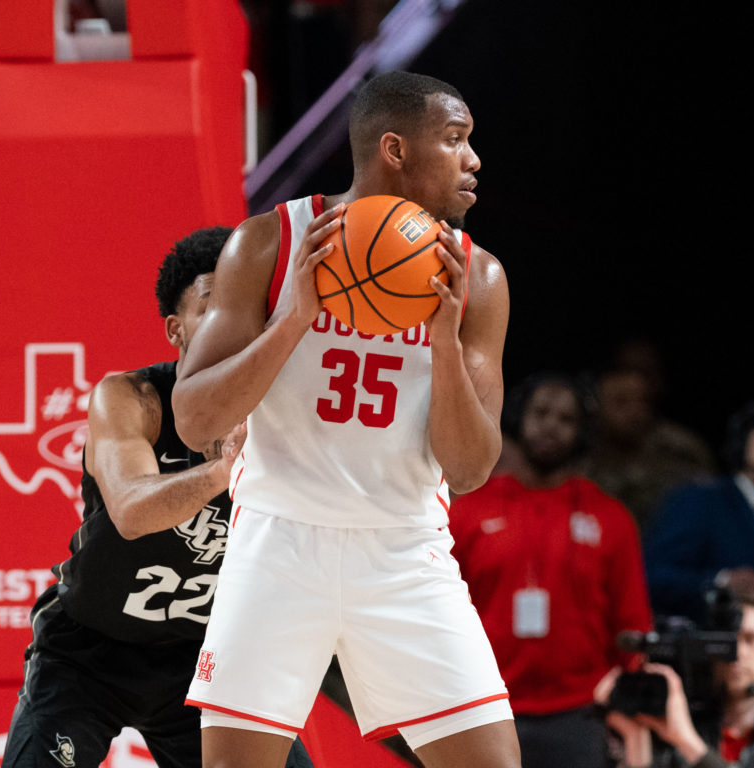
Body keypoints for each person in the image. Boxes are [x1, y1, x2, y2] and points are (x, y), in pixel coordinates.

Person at [171, 71, 519, 768]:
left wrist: (445, 345)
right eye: (454, 140)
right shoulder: (269, 244)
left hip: (403, 548)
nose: (473, 159)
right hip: (277, 543)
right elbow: (193, 418)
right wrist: (296, 318)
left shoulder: (476, 277)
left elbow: (472, 469)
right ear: (394, 148)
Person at [0, 227, 311, 768]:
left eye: (252, 304)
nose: (238, 320)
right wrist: (223, 471)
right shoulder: (131, 398)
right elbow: (131, 511)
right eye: (216, 304)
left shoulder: (292, 413)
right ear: (177, 329)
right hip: (90, 651)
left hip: (206, 659)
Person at [449, 372, 653, 768]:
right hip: (484, 707)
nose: (551, 426)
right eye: (540, 412)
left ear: (582, 432)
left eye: (566, 419)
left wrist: (631, 708)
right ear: (518, 419)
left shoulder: (610, 516)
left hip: (583, 712)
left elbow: (633, 621)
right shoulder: (469, 512)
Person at [594, 584, 754, 768]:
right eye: (725, 642)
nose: (736, 652)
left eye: (751, 639)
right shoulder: (678, 730)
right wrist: (634, 737)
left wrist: (689, 744)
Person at [643, 398, 754, 624]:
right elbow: (650, 577)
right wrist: (721, 582)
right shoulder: (703, 500)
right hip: (698, 653)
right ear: (742, 444)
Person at [581, 360, 716, 535]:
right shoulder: (581, 455)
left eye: (642, 401)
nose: (635, 411)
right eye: (621, 402)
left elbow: (712, 502)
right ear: (596, 408)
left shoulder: (680, 449)